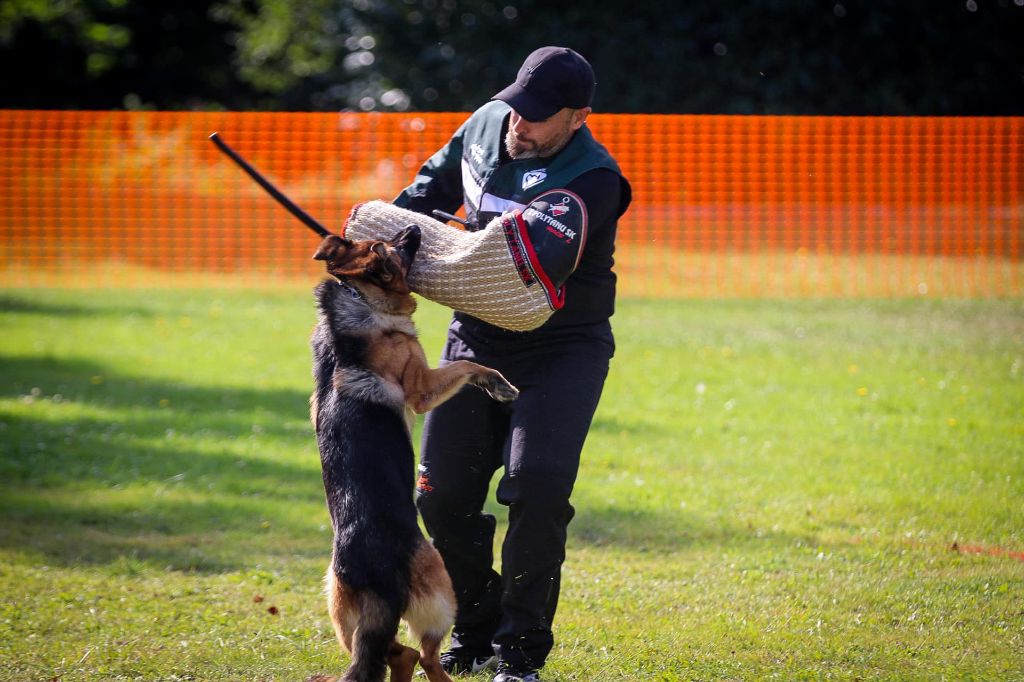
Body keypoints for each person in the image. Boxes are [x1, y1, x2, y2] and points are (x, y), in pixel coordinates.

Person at [393, 46, 631, 682]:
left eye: (537, 117)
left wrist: (442, 246)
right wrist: (379, 242)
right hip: (477, 338)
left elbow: (517, 267)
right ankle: (477, 628)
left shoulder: (594, 178)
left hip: (562, 347)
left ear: (577, 118)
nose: (518, 125)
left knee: (539, 485)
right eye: (515, 106)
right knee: (441, 498)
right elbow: (421, 195)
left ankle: (520, 655)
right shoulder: (486, 125)